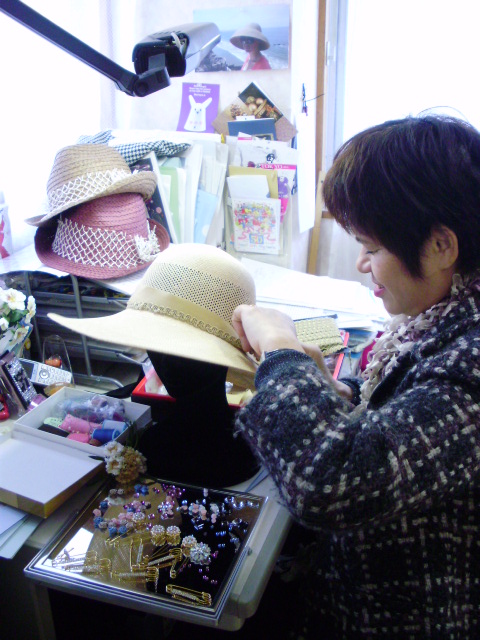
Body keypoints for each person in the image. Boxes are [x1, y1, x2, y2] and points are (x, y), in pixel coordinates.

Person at [232, 114, 480, 638]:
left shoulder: (470, 361)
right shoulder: (437, 320)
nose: (362, 264)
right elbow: (398, 434)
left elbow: (335, 483)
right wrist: (334, 395)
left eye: (372, 247)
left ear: (441, 246)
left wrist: (280, 351)